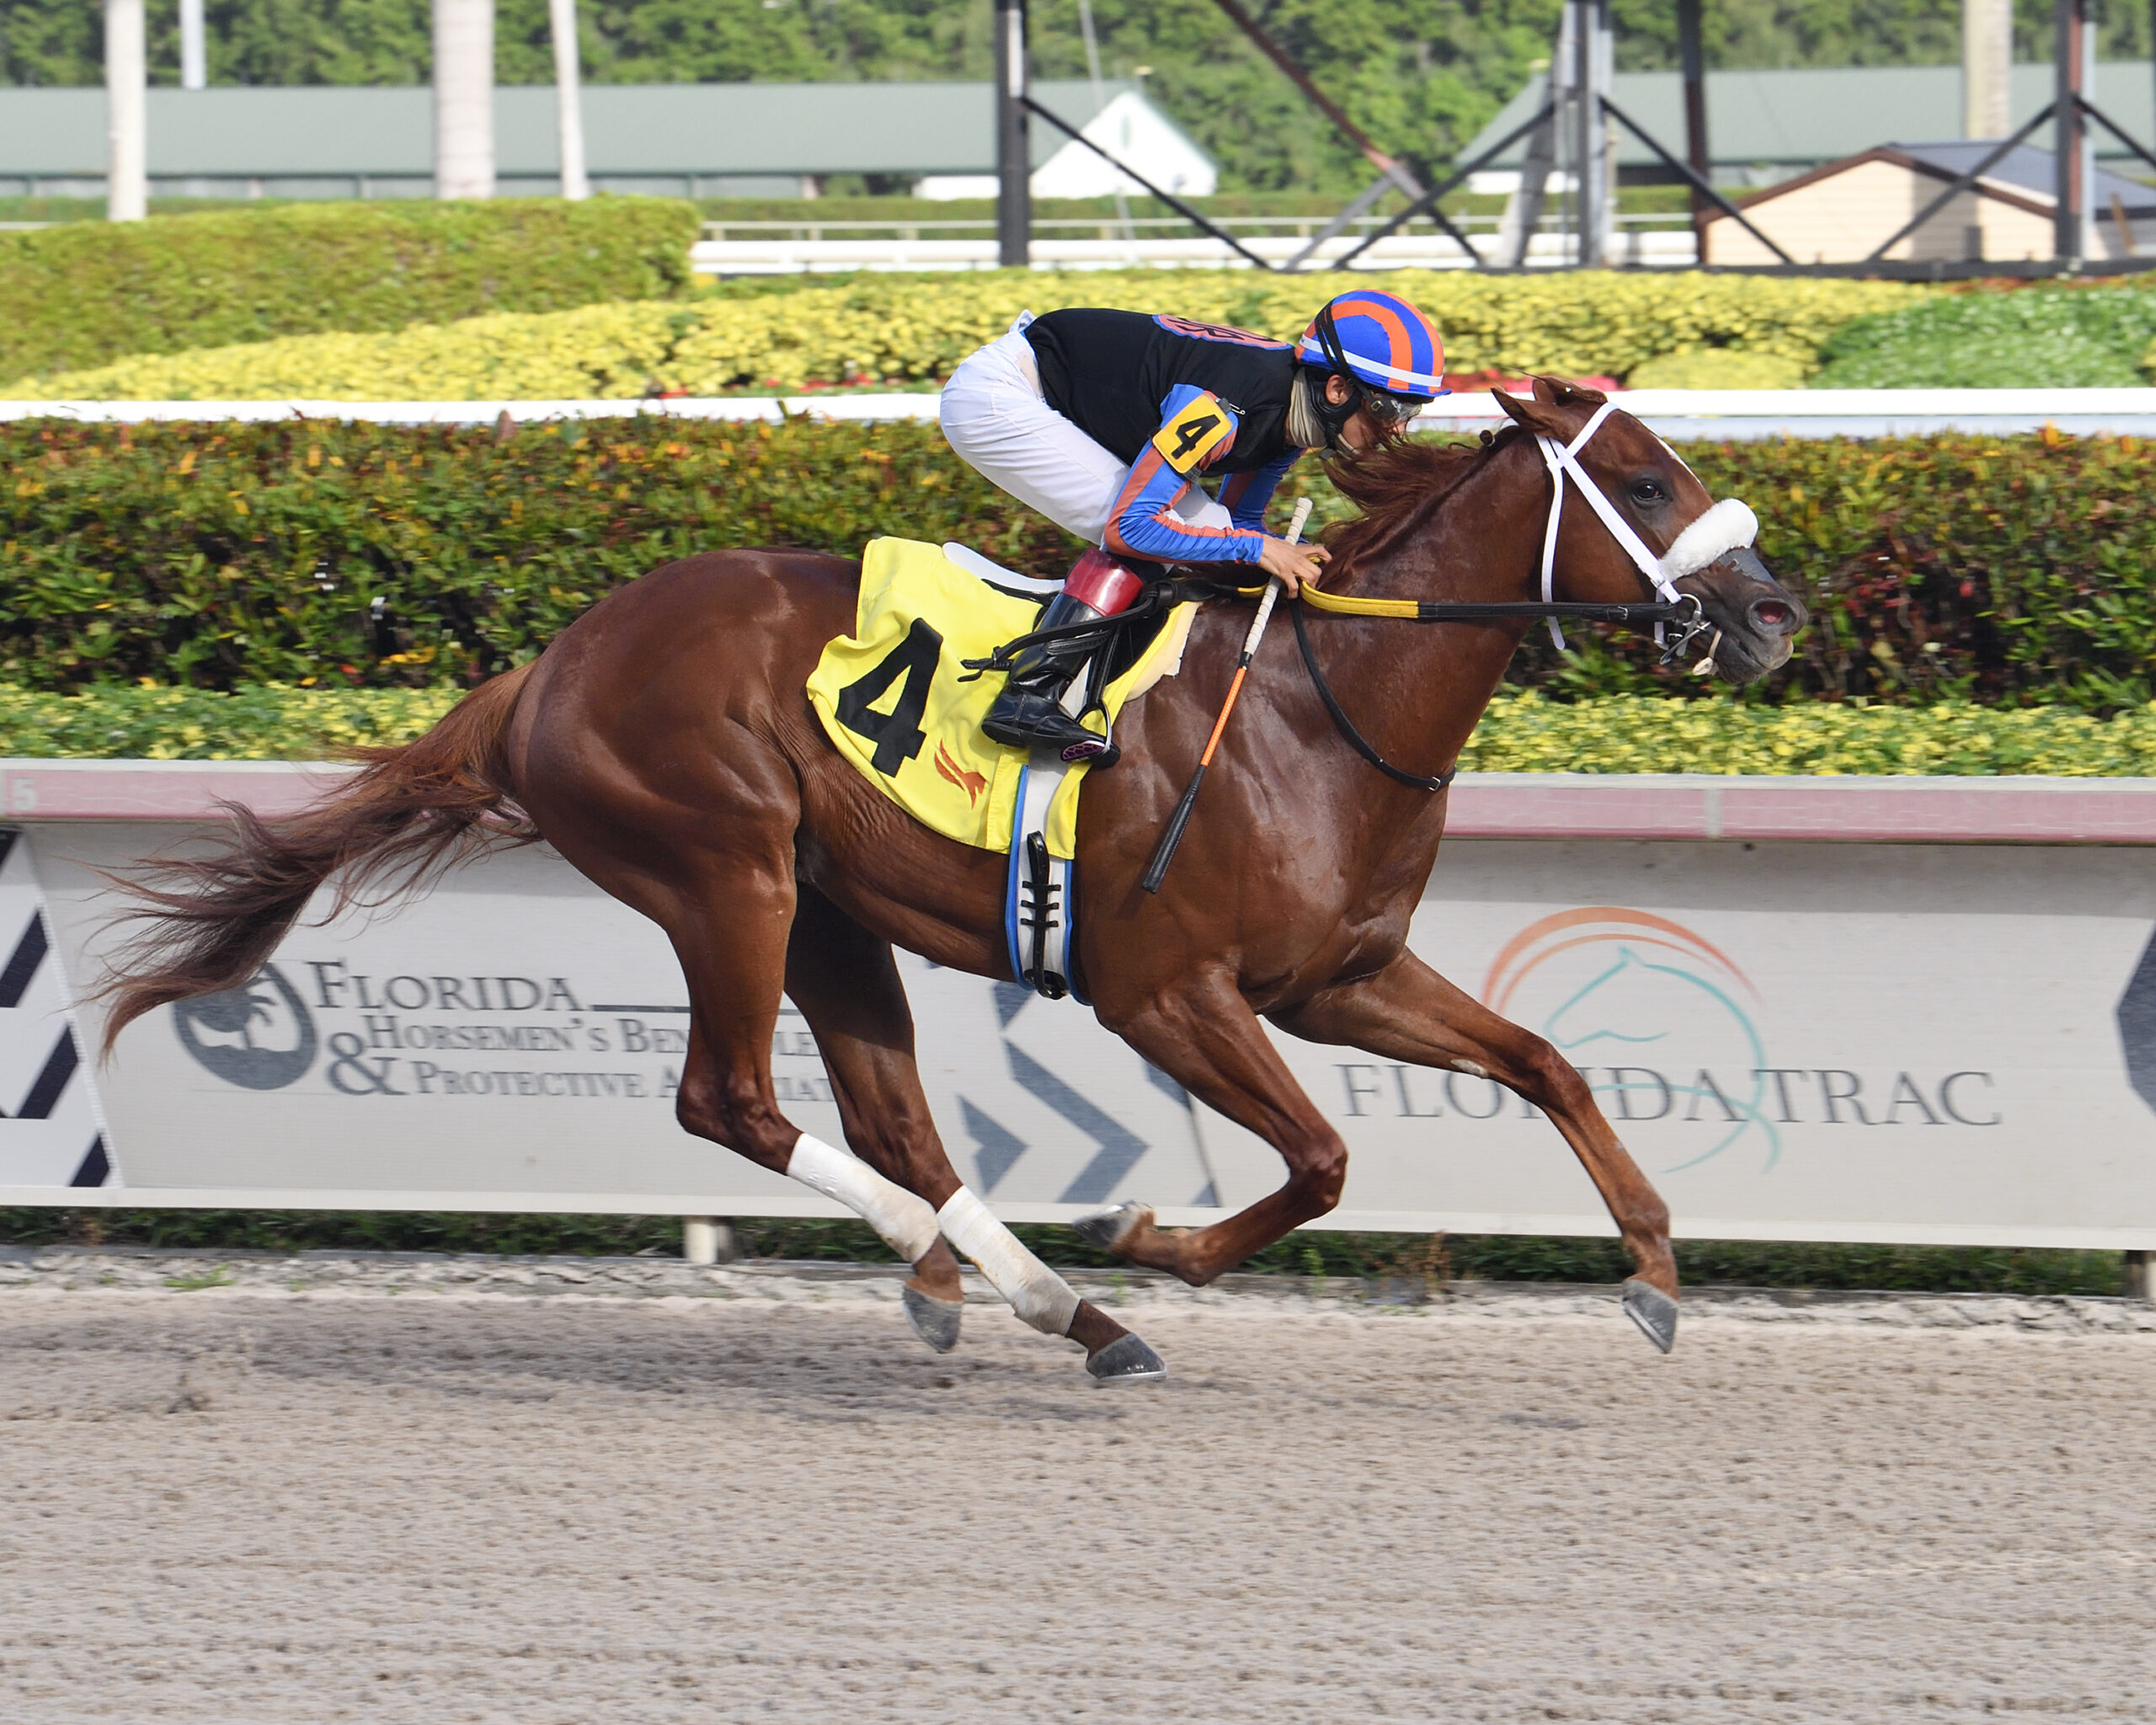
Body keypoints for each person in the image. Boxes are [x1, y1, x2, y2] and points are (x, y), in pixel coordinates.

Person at [938, 290, 1449, 766]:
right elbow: (1130, 529)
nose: (1399, 428)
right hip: (999, 397)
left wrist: (1275, 551)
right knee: (1161, 535)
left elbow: (1237, 523)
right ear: (1337, 389)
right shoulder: (1222, 409)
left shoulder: (1293, 421)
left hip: (1054, 389)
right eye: (1390, 408)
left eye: (1412, 411)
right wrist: (1257, 548)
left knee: (1210, 530)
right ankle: (1029, 695)